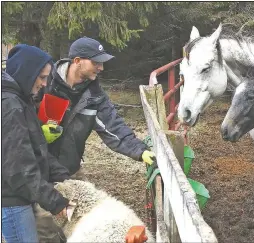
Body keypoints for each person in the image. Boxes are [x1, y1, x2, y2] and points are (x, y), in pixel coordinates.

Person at [37, 36, 156, 176]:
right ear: (77, 61)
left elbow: (113, 126)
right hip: (35, 167)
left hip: (67, 170)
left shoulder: (95, 96)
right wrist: (37, 132)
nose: (101, 68)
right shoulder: (44, 82)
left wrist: (140, 151)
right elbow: (18, 118)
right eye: (96, 62)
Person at [1, 44, 74, 243]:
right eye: (41, 77)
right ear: (26, 72)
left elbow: (37, 149)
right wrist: (56, 202)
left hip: (20, 197)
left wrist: (68, 181)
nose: (44, 84)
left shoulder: (22, 101)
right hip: (12, 201)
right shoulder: (9, 106)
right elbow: (19, 168)